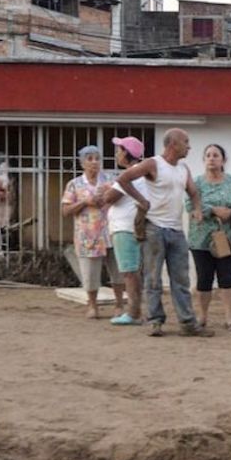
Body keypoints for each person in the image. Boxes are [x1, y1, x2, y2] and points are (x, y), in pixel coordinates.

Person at [115, 128, 213, 338]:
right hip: (154, 228)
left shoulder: (183, 169)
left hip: (176, 230)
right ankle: (155, 321)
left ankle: (187, 323)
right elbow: (124, 178)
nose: (189, 146)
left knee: (181, 279)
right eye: (185, 142)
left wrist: (196, 208)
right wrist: (141, 200)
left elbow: (194, 193)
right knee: (153, 279)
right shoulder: (153, 164)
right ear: (172, 145)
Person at [188, 144, 231, 330]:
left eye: (216, 155)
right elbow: (189, 204)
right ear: (203, 160)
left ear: (223, 160)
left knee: (227, 277)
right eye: (207, 155)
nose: (211, 158)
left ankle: (230, 317)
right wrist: (214, 210)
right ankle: (202, 316)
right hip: (201, 239)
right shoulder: (196, 183)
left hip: (228, 238)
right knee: (203, 278)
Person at [60, 145, 123, 319]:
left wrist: (108, 195)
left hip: (111, 231)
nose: (94, 162)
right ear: (82, 163)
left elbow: (121, 197)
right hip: (87, 235)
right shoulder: (74, 184)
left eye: (97, 158)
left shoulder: (110, 180)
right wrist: (85, 202)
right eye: (89, 159)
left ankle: (119, 304)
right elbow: (65, 210)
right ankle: (92, 306)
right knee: (90, 273)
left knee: (117, 270)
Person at [100, 135, 148, 326]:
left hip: (124, 228)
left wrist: (106, 190)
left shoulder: (129, 175)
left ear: (127, 154)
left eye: (119, 150)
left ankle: (133, 313)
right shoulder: (141, 174)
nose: (117, 154)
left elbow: (109, 197)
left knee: (129, 271)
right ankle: (136, 310)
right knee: (134, 271)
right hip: (133, 227)